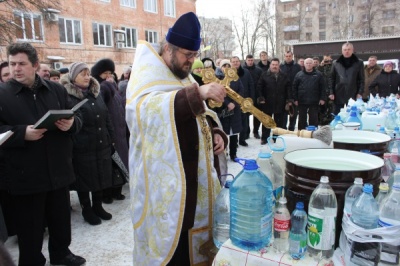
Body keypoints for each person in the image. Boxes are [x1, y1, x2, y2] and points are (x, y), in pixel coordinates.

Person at [126, 12, 228, 265]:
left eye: (194, 55)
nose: (191, 62)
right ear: (167, 49)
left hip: (196, 184)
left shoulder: (180, 74)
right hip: (168, 190)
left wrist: (215, 134)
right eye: (187, 55)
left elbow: (201, 116)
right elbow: (146, 112)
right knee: (175, 251)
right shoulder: (146, 76)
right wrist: (197, 94)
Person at [0, 42, 85, 265]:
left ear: (35, 65)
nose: (16, 68)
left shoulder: (55, 89)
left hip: (58, 169)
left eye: (21, 63)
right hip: (25, 175)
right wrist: (21, 133)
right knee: (30, 227)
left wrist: (72, 123)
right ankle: (32, 260)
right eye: (12, 63)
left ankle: (61, 253)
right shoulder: (2, 94)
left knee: (60, 221)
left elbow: (76, 116)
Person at [60, 61, 115, 226]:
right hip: (82, 147)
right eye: (82, 74)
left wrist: (111, 137)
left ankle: (98, 206)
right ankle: (87, 209)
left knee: (100, 176)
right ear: (73, 77)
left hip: (101, 143)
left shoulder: (95, 94)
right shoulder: (68, 97)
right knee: (84, 179)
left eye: (88, 73)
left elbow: (106, 117)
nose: (87, 77)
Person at [91, 59, 128, 203]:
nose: (108, 76)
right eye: (105, 73)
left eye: (110, 73)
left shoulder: (114, 87)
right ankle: (108, 192)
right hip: (109, 132)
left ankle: (117, 190)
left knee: (120, 162)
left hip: (120, 131)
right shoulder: (102, 88)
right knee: (110, 165)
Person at [257, 58, 291, 144]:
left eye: (276, 65)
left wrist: (289, 100)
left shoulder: (284, 75)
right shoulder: (264, 75)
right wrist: (261, 97)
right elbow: (259, 87)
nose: (274, 66)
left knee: (279, 122)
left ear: (279, 65)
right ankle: (264, 138)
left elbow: (288, 89)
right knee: (266, 121)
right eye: (273, 65)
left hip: (280, 102)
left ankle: (276, 137)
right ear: (270, 65)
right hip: (267, 102)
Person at [217, 59, 243, 161]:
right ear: (221, 68)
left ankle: (233, 154)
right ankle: (223, 152)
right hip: (223, 109)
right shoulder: (218, 79)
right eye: (224, 66)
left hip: (235, 109)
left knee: (234, 133)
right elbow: (218, 93)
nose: (226, 68)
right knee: (223, 132)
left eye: (228, 66)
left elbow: (241, 92)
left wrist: (234, 103)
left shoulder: (236, 79)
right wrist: (227, 103)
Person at [329, 42, 365, 114]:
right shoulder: (336, 63)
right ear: (342, 51)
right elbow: (331, 78)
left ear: (352, 50)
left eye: (349, 49)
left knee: (353, 114)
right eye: (345, 50)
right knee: (337, 114)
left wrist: (360, 92)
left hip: (353, 93)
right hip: (338, 93)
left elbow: (361, 79)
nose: (347, 51)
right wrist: (331, 92)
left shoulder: (359, 63)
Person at [292, 58, 326, 130]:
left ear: (313, 64)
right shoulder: (299, 74)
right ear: (304, 64)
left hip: (314, 100)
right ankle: (302, 132)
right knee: (302, 119)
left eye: (310, 63)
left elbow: (323, 87)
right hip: (302, 101)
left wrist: (322, 98)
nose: (308, 65)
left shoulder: (318, 74)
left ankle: (313, 133)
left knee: (313, 119)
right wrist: (295, 99)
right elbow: (294, 87)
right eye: (307, 63)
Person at [231, 56, 254, 146]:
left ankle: (242, 139)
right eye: (233, 62)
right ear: (231, 63)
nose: (235, 63)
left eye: (237, 61)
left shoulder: (246, 72)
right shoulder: (228, 74)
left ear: (240, 62)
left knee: (244, 121)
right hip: (233, 102)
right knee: (235, 122)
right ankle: (234, 141)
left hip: (245, 101)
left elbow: (251, 85)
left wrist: (252, 98)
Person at [280, 51, 302, 130]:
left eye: (289, 56)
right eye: (286, 56)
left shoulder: (298, 67)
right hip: (283, 93)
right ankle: (283, 128)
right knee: (284, 113)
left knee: (294, 112)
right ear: (284, 57)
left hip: (294, 93)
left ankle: (291, 128)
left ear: (292, 56)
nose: (288, 57)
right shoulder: (281, 67)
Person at [243, 54, 263, 139]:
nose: (250, 62)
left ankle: (255, 131)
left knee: (257, 115)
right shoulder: (242, 70)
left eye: (251, 60)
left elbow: (262, 83)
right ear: (246, 60)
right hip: (246, 96)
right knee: (246, 115)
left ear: (253, 60)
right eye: (249, 60)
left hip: (257, 95)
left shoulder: (258, 70)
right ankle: (246, 132)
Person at [317, 54, 335, 125]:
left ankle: (331, 123)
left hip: (331, 91)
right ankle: (322, 123)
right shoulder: (321, 67)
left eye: (328, 60)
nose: (327, 61)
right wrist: (320, 66)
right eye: (325, 60)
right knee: (322, 109)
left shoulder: (334, 66)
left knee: (331, 109)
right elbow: (316, 74)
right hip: (322, 91)